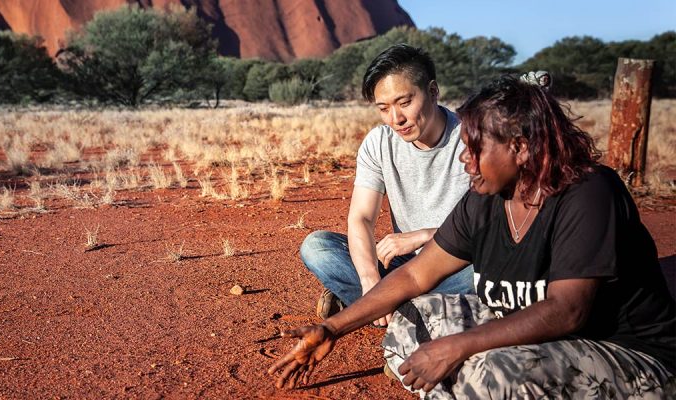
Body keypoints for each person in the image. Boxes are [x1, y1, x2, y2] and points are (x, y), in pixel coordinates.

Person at [268, 76, 676, 398]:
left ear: (519, 148)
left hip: (628, 354)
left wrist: (459, 347)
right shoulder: (487, 197)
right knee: (409, 327)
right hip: (541, 336)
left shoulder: (587, 192)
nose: (465, 161)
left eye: (474, 149)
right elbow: (414, 277)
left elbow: (567, 312)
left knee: (490, 373)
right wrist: (333, 329)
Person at [301, 44, 474, 328]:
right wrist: (370, 280)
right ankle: (411, 313)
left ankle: (382, 311)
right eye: (384, 108)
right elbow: (362, 217)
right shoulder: (379, 142)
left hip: (455, 263)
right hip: (401, 267)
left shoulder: (472, 138)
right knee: (317, 247)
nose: (396, 119)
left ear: (432, 92)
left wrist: (426, 235)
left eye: (405, 102)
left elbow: (496, 230)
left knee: (481, 272)